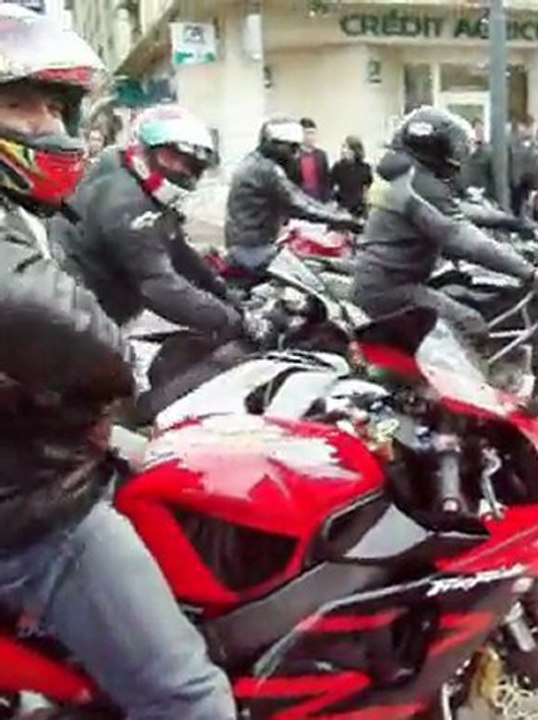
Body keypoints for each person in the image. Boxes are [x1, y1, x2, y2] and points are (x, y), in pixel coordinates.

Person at [0, 5, 235, 719]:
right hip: (33, 505)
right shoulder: (114, 193)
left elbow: (180, 260)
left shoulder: (36, 204)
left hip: (38, 432)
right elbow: (38, 308)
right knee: (192, 701)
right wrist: (120, 360)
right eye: (18, 103)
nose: (45, 123)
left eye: (52, 105)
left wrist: (228, 291)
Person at [352, 105, 538, 363]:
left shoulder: (409, 175)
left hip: (386, 281)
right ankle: (454, 399)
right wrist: (528, 270)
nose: (456, 155)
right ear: (432, 146)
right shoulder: (418, 181)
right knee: (470, 324)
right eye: (451, 147)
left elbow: (456, 211)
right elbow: (459, 235)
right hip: (392, 288)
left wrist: (513, 222)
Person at [54, 104, 244, 341]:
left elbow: (177, 249)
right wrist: (233, 321)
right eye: (170, 157)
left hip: (87, 308)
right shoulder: (126, 202)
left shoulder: (132, 179)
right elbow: (161, 286)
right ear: (144, 149)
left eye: (188, 164)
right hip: (75, 321)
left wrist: (226, 295)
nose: (180, 169)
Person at [224, 115, 361, 275]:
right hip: (252, 250)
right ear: (276, 144)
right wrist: (349, 221)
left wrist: (339, 216)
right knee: (311, 276)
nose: (296, 155)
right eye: (292, 148)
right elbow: (298, 205)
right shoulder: (265, 170)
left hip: (248, 245)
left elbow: (301, 198)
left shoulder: (257, 162)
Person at [330, 135, 373, 217]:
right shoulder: (338, 166)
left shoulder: (364, 167)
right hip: (342, 206)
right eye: (343, 147)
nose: (344, 150)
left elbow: (368, 186)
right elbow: (330, 185)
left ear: (355, 150)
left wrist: (367, 201)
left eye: (347, 148)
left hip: (359, 207)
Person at [294, 116, 331, 202]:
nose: (311, 137)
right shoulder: (293, 155)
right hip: (300, 199)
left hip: (318, 199)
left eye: (313, 133)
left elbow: (326, 181)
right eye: (308, 133)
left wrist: (327, 200)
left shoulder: (321, 155)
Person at [509, 116, 538, 216]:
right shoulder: (512, 143)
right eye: (530, 128)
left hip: (528, 184)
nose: (532, 131)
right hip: (515, 185)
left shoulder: (534, 144)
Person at [458, 118, 494, 200]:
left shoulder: (488, 152)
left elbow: (493, 177)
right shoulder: (461, 150)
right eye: (477, 131)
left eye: (481, 131)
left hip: (482, 195)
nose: (479, 134)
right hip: (464, 194)